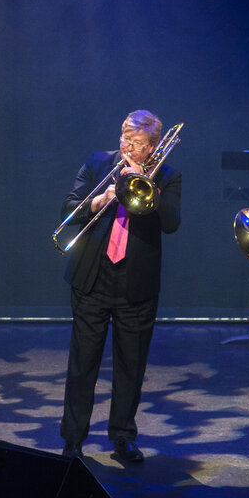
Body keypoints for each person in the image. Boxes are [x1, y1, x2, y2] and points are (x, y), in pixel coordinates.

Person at [59, 110, 181, 462]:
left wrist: (146, 183)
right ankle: (73, 439)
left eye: (136, 143)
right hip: (92, 277)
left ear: (153, 148)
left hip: (136, 284)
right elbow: (68, 207)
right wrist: (100, 199)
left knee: (131, 366)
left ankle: (123, 437)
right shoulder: (99, 164)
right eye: (125, 138)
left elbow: (171, 222)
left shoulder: (168, 175)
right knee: (83, 364)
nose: (127, 146)